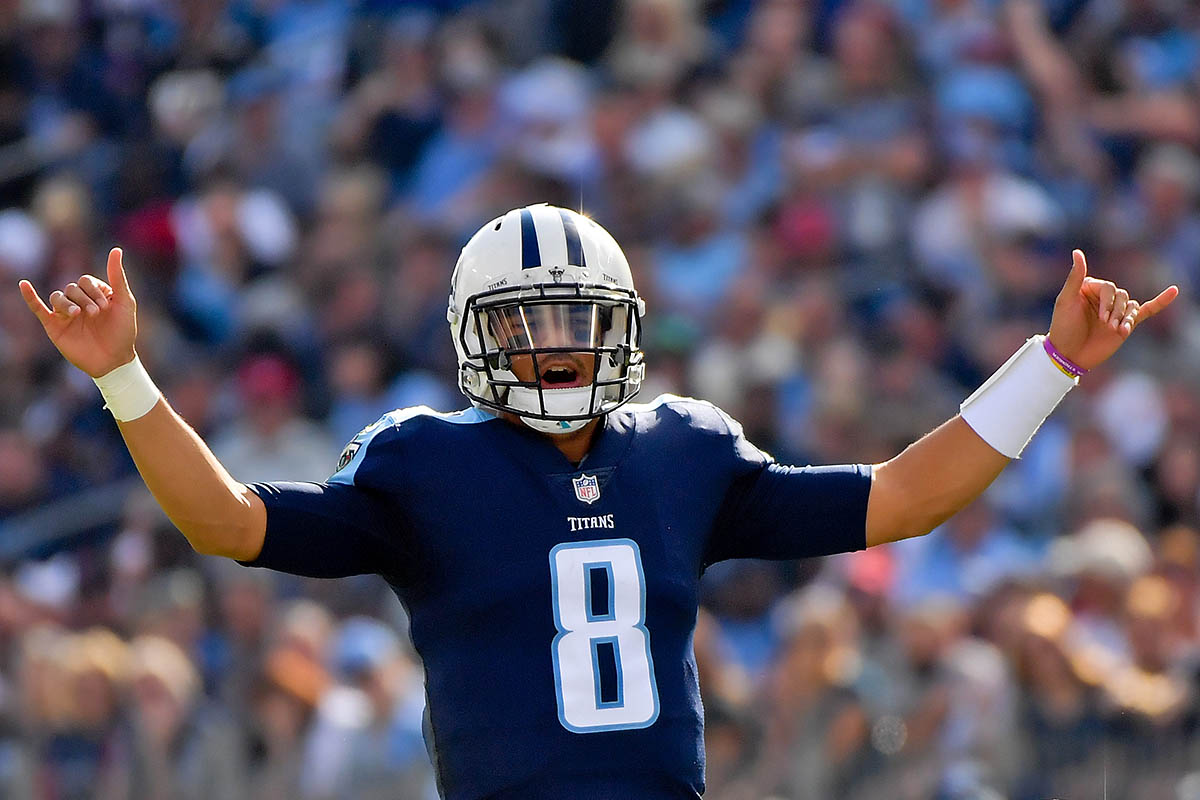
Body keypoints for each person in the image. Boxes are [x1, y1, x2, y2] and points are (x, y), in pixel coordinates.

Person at [17, 204, 1177, 799]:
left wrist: (1052, 364)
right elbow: (224, 520)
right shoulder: (424, 458)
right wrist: (123, 374)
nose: (560, 344)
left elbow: (907, 496)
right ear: (477, 333)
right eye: (530, 320)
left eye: (578, 315)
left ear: (620, 320)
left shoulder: (684, 448)